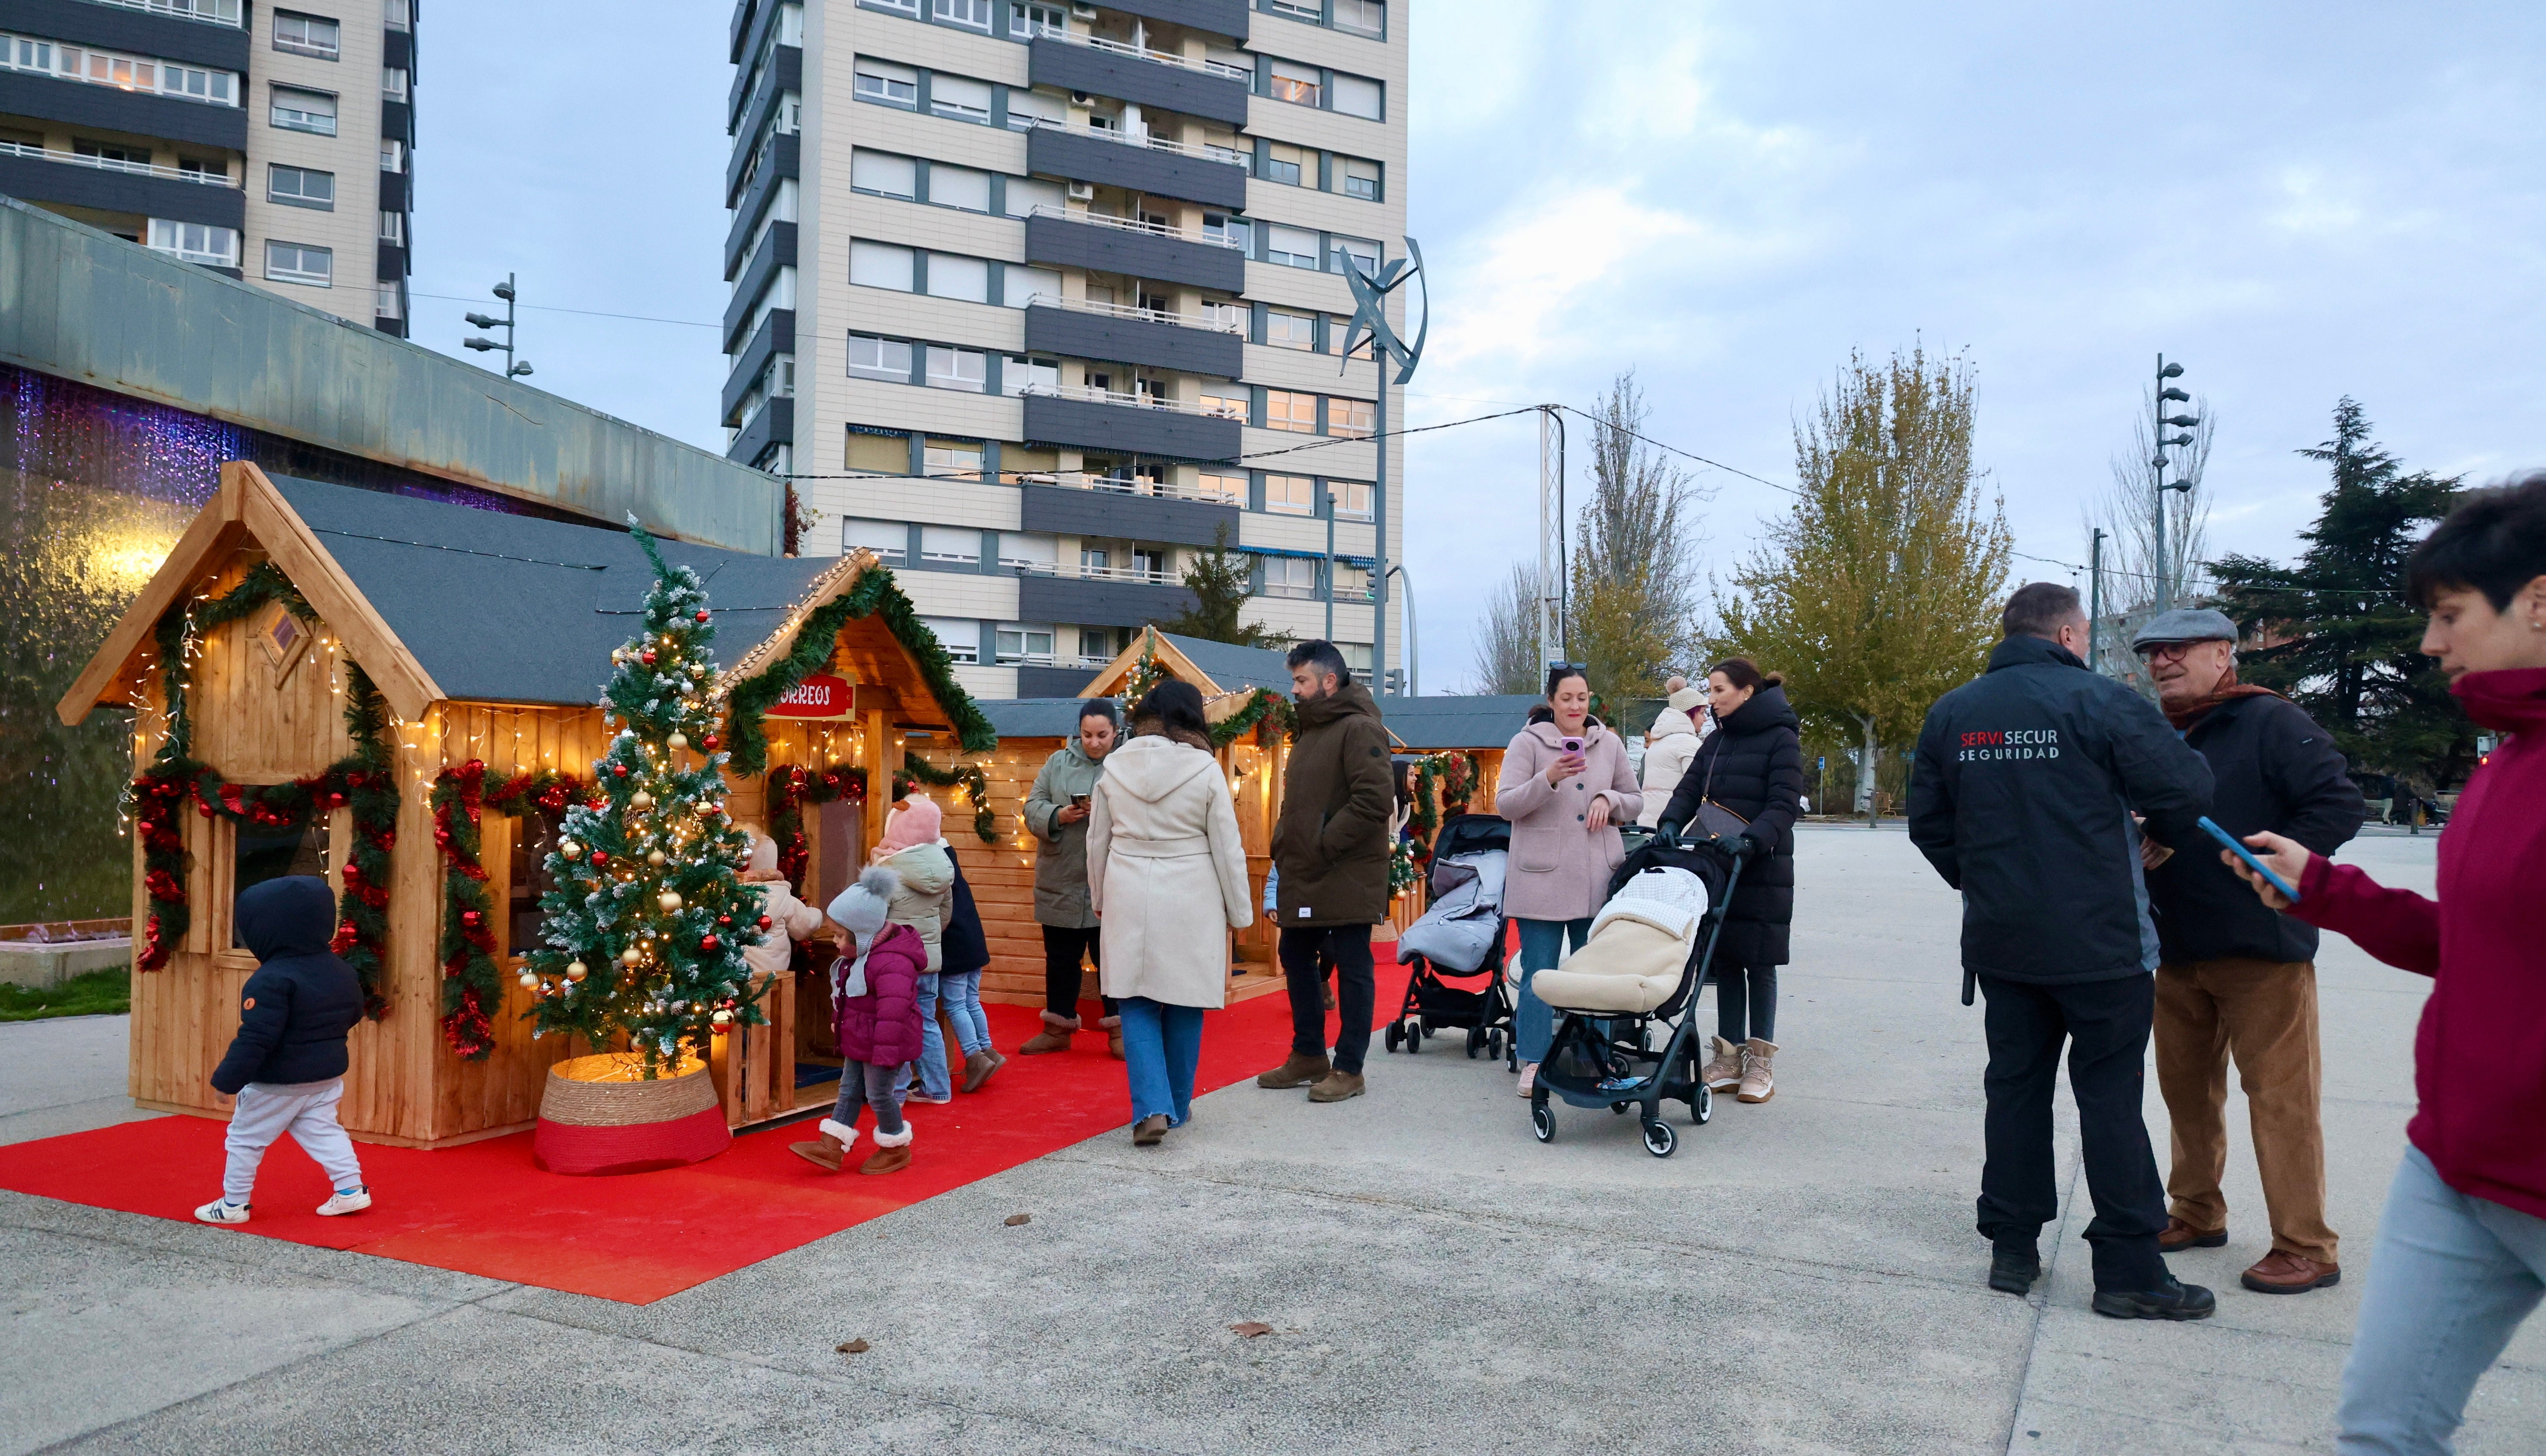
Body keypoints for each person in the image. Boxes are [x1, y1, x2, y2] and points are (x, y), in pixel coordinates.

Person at [2220, 476, 2546, 1453]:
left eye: (2449, 615)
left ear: (2539, 601)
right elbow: (2479, 945)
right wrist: (2326, 887)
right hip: (2452, 1168)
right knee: (2382, 1428)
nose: (2431, 644)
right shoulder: (2508, 761)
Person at [1908, 581, 2219, 1319]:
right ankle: (2130, 1272)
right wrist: (2164, 835)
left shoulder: (1955, 712)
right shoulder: (2100, 703)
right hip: (2102, 944)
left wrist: (1985, 879)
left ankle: (2012, 1249)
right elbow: (2188, 785)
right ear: (2071, 636)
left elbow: (1930, 824)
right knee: (2109, 1096)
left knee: (2014, 1089)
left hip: (2005, 944)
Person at [2131, 606, 2366, 1296]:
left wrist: (2280, 864)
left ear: (2224, 654)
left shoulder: (2271, 721)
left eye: (2179, 649)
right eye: (2153, 652)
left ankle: (2306, 1244)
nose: (2163, 661)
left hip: (2261, 950)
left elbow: (2338, 803)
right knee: (2185, 1095)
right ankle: (2196, 1211)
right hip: (2172, 947)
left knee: (2281, 1100)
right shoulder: (2157, 735)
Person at [1088, 681, 1255, 1146]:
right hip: (1190, 891)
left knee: (1135, 1000)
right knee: (1184, 1000)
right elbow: (1227, 846)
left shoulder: (1114, 766)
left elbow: (1097, 840)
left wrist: (1100, 894)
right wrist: (1240, 912)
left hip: (1127, 886)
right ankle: (1176, 1108)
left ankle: (1151, 1109)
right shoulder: (1204, 768)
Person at [1655, 658, 1803, 1104]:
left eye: (1720, 690)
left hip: (1763, 865)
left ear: (1747, 692)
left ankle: (1760, 1062)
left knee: (1759, 962)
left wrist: (1753, 840)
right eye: (1711, 690)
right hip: (1718, 862)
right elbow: (1689, 789)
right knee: (1727, 960)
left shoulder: (1781, 738)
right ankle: (1728, 1055)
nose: (1713, 699)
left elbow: (1784, 802)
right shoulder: (1717, 741)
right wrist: (1670, 822)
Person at [1255, 640, 1394, 1103]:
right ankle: (1309, 1055)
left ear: (1329, 682)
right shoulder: (1312, 731)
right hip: (1307, 869)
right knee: (1295, 953)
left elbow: (1375, 800)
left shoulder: (1359, 728)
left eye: (1302, 681)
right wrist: (1284, 842)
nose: (1295, 690)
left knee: (1353, 967)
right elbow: (1301, 802)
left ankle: (1349, 1067)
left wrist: (1323, 843)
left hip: (1345, 871)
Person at [1496, 664, 1643, 1098]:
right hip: (1540, 876)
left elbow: (1635, 801)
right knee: (1541, 972)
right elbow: (1506, 805)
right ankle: (1535, 1060)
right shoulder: (1527, 743)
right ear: (1552, 701)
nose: (1576, 706)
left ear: (1590, 699)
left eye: (1582, 698)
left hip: (1597, 875)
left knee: (1593, 974)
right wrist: (1549, 778)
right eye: (1567, 699)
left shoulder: (1610, 743)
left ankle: (1590, 1056)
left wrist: (1608, 798)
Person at [194, 876, 371, 1225]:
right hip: (326, 1076)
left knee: (244, 1139)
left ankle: (233, 1205)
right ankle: (351, 1191)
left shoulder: (271, 978)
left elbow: (257, 1037)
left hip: (276, 1082)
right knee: (325, 1132)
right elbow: (353, 1013)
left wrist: (227, 1080)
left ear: (265, 929)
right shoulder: (341, 968)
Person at [792, 867, 926, 1176]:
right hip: (862, 1037)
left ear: (862, 933)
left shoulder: (892, 963)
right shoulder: (860, 959)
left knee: (879, 1095)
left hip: (883, 1044)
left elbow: (893, 1014)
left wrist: (885, 1054)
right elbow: (850, 998)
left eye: (840, 936)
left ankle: (895, 1147)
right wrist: (840, 1024)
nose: (836, 943)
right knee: (849, 1090)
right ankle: (832, 1144)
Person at [1019, 699, 1121, 1058]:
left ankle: (1121, 1033)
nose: (1094, 742)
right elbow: (1031, 806)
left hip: (1111, 881)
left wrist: (1107, 811)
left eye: (1102, 735)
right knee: (1060, 958)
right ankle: (1057, 1029)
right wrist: (1057, 815)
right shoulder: (1057, 763)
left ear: (1116, 731)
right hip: (1060, 877)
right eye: (1088, 735)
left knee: (1112, 959)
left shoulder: (1127, 764)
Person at [870, 794, 957, 1104]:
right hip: (928, 958)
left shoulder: (886, 867)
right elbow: (945, 915)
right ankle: (939, 1088)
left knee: (894, 1023)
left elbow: (873, 916)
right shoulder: (943, 864)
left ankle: (895, 1091)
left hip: (894, 961)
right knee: (928, 1021)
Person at [938, 829, 1002, 1093]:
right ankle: (988, 1051)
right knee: (971, 1001)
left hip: (955, 949)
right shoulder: (951, 862)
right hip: (973, 945)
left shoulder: (932, 868)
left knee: (955, 1006)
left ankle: (974, 1057)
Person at [1638, 675, 1708, 828]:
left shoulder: (1657, 741)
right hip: (1676, 829)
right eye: (1702, 713)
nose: (1706, 719)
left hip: (1648, 825)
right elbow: (1697, 789)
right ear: (1690, 713)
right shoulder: (1688, 743)